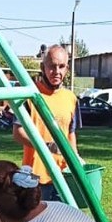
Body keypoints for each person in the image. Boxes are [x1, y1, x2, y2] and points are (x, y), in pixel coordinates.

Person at [12, 45, 82, 201]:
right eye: (52, 66)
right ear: (42, 67)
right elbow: (18, 133)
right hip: (35, 177)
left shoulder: (71, 98)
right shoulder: (30, 95)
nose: (56, 71)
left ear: (67, 68)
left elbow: (71, 133)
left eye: (61, 66)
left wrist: (76, 160)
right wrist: (46, 146)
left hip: (63, 176)